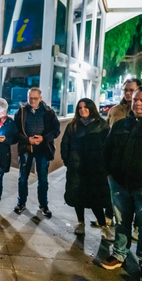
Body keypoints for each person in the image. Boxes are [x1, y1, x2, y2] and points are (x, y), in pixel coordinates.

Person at [101, 86, 142, 271]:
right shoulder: (121, 124)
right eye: (135, 100)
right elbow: (107, 150)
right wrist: (109, 175)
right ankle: (119, 254)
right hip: (119, 184)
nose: (138, 103)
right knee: (121, 222)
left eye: (141, 100)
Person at [60, 98, 113, 240]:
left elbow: (108, 147)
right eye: (80, 108)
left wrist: (104, 165)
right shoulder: (72, 126)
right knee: (78, 198)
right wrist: (68, 161)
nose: (82, 110)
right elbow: (65, 144)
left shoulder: (101, 125)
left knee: (96, 199)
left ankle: (103, 227)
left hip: (95, 170)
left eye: (85, 107)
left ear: (91, 108)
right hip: (76, 169)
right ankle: (80, 223)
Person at [13, 87, 60, 218]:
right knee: (23, 178)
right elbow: (15, 132)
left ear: (40, 98)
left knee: (43, 180)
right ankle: (21, 203)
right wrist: (27, 140)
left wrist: (44, 139)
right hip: (26, 149)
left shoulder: (49, 112)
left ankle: (43, 205)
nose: (32, 100)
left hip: (43, 149)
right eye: (30, 98)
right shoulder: (21, 112)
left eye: (35, 98)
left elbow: (56, 130)